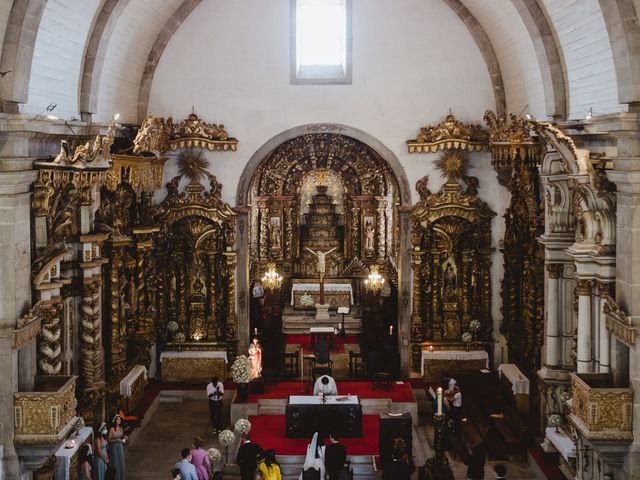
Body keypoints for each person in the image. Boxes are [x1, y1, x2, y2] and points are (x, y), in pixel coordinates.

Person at [107, 414, 127, 480]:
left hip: (120, 447)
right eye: (118, 419)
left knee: (120, 461)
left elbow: (121, 436)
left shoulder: (121, 428)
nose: (119, 420)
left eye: (120, 419)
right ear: (115, 420)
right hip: (114, 447)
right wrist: (116, 440)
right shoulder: (112, 429)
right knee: (116, 461)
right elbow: (109, 440)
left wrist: (125, 437)